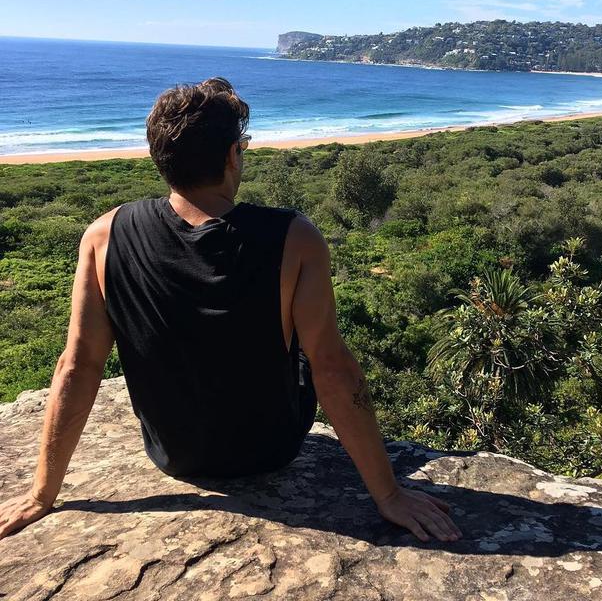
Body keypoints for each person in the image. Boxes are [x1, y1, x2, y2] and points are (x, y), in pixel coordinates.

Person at [0, 77, 460, 543]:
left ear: (160, 158)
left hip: (174, 456)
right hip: (271, 450)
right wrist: (388, 495)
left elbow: (78, 365)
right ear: (232, 156)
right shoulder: (295, 237)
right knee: (309, 346)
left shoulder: (103, 234)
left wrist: (43, 494)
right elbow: (332, 369)